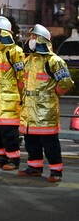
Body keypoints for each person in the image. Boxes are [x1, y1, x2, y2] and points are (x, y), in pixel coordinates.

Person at [18, 24, 74, 182]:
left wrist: (54, 94)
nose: (31, 40)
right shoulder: (28, 60)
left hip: (45, 110)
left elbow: (66, 82)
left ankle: (56, 171)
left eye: (34, 37)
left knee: (49, 143)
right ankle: (34, 168)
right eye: (31, 37)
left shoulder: (54, 61)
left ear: (42, 39)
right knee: (31, 142)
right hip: (29, 110)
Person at [0, 16, 25, 170]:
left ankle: (13, 160)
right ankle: (2, 157)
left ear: (5, 32)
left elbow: (21, 77)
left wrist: (22, 97)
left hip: (8, 98)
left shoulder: (15, 51)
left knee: (8, 131)